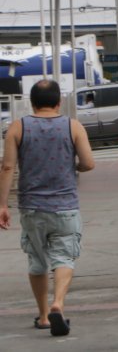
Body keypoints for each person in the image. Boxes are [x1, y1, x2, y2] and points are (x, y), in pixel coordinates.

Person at [0, 79, 95, 337]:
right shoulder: (73, 126)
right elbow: (88, 163)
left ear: (32, 103)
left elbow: (7, 167)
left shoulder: (18, 127)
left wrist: (2, 205)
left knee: (37, 260)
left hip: (32, 207)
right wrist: (73, 167)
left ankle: (43, 316)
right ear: (58, 102)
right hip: (65, 206)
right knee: (64, 257)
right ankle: (58, 304)